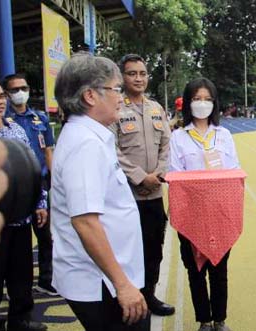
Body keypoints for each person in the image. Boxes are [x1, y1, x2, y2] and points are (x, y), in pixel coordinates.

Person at [50, 54, 148, 331]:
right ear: (91, 96)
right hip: (102, 283)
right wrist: (123, 286)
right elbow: (85, 222)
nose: (121, 97)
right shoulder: (85, 145)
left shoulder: (92, 137)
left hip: (109, 277)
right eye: (116, 89)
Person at [169, 77, 238, 331]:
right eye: (197, 99)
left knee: (219, 269)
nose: (202, 104)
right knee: (195, 271)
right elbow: (175, 176)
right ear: (188, 103)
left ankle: (219, 319)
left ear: (214, 103)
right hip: (191, 215)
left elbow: (234, 172)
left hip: (220, 214)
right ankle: (204, 321)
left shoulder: (224, 136)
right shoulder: (178, 137)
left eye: (207, 99)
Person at [110, 54, 174, 316]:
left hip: (155, 195)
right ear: (122, 77)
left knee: (153, 250)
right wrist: (139, 177)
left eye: (143, 73)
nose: (138, 78)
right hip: (127, 196)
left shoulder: (156, 108)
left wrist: (157, 175)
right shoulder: (116, 109)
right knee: (128, 251)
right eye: (132, 73)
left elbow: (167, 146)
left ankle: (149, 296)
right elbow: (112, 150)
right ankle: (128, 297)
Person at [0, 79, 48, 331]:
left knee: (21, 274)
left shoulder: (15, 129)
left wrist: (39, 202)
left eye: (0, 95)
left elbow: (31, 170)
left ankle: (20, 319)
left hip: (20, 219)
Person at [3, 73, 57, 296]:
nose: (20, 93)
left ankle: (46, 279)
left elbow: (47, 150)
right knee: (14, 239)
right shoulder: (3, 120)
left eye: (23, 88)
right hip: (14, 186)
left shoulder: (40, 118)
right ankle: (9, 284)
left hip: (40, 183)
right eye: (14, 90)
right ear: (7, 94)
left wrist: (52, 177)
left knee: (45, 235)